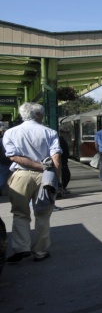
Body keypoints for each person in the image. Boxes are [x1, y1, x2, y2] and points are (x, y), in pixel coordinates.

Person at [3, 102, 61, 263]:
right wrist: (58, 180)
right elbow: (56, 158)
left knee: (20, 213)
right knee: (43, 215)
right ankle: (40, 252)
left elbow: (13, 157)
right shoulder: (49, 132)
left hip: (20, 176)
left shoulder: (10, 132)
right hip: (46, 177)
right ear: (39, 115)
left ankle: (22, 248)